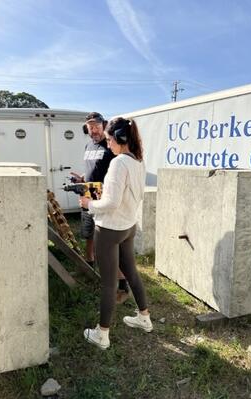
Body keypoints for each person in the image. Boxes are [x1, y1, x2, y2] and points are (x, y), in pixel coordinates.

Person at [80, 117, 153, 350]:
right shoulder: (138, 160)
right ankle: (144, 318)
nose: (108, 144)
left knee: (108, 284)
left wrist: (88, 204)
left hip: (110, 229)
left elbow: (110, 202)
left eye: (110, 139)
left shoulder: (119, 162)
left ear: (120, 138)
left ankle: (102, 335)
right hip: (128, 226)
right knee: (131, 273)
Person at [71, 112, 130, 303]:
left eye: (96, 125)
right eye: (89, 126)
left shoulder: (111, 144)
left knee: (111, 245)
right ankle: (88, 269)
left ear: (103, 125)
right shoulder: (88, 145)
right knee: (88, 236)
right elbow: (93, 169)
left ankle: (122, 286)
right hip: (88, 196)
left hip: (105, 200)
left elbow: (117, 173)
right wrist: (82, 179)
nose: (93, 129)